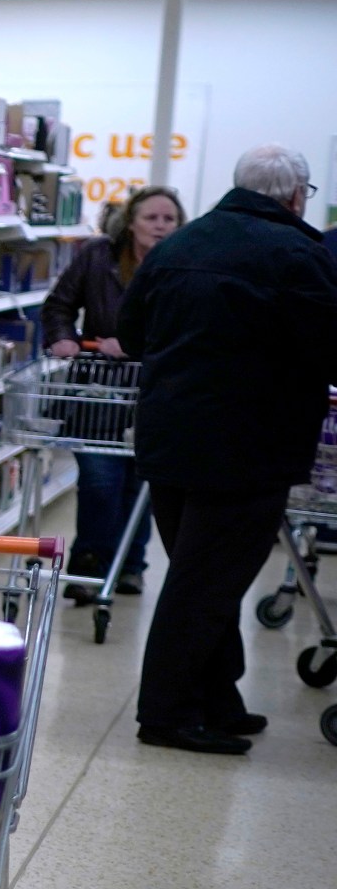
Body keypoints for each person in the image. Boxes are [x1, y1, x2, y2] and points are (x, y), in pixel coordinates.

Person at [120, 144, 337, 754]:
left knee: (201, 574)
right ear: (297, 195)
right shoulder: (299, 254)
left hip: (168, 439)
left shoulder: (177, 246)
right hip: (249, 446)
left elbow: (133, 334)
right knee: (205, 584)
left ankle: (219, 699)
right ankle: (164, 714)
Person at [42, 186, 181, 602]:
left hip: (155, 390)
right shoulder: (98, 256)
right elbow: (58, 306)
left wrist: (134, 344)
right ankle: (90, 565)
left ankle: (130, 567)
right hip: (96, 388)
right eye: (151, 218)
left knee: (140, 485)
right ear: (130, 222)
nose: (160, 226)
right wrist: (63, 338)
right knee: (101, 480)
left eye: (169, 219)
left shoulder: (181, 263)